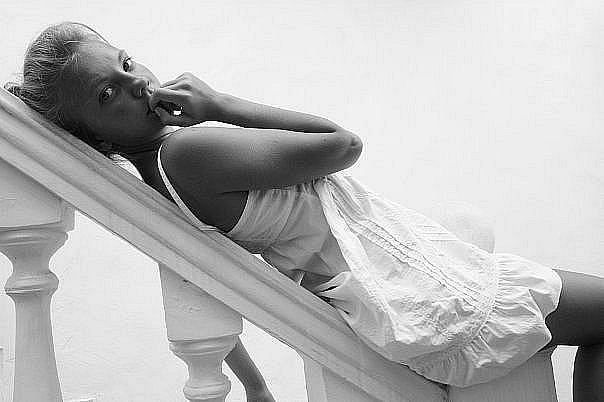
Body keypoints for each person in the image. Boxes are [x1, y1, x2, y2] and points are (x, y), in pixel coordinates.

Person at [6, 21, 604, 401]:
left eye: (126, 62)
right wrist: (220, 103)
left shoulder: (159, 184)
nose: (134, 82)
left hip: (408, 298)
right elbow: (342, 144)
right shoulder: (188, 152)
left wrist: (255, 385)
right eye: (107, 94)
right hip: (428, 292)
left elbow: (205, 281)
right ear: (97, 137)